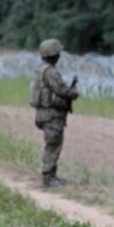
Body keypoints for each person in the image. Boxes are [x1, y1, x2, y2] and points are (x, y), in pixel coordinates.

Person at [29, 39, 79, 187]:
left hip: (44, 113)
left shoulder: (41, 70)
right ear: (54, 55)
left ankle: (50, 175)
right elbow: (61, 90)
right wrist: (74, 93)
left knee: (52, 144)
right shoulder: (51, 72)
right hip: (52, 114)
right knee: (53, 145)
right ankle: (49, 177)